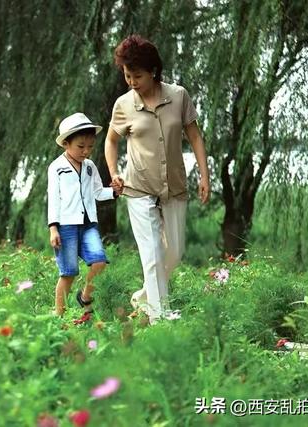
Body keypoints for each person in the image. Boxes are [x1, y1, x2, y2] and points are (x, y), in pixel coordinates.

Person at [104, 34, 210, 323]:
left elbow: (195, 137)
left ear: (153, 70)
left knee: (174, 252)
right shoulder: (124, 105)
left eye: (137, 75)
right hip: (138, 187)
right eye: (127, 76)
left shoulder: (178, 96)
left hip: (175, 185)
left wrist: (204, 175)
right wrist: (114, 172)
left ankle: (143, 299)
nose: (131, 82)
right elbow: (111, 140)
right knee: (151, 254)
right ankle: (159, 318)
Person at [48, 113, 119, 322]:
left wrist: (114, 192)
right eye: (81, 147)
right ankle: (58, 318)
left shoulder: (90, 166)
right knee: (68, 273)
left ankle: (85, 296)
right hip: (65, 226)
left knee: (99, 262)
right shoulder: (56, 168)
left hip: (89, 224)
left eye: (90, 146)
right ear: (66, 144)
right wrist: (53, 228)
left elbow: (98, 192)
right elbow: (53, 199)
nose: (86, 151)